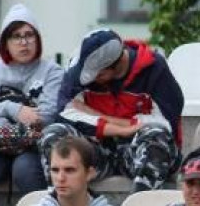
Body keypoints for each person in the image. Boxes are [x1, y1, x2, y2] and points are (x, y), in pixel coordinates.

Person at [41, 28, 183, 191]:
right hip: (97, 150)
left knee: (155, 136)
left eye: (99, 74)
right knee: (53, 133)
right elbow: (65, 114)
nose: (93, 80)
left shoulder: (155, 68)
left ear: (118, 64)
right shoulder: (78, 68)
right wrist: (119, 128)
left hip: (139, 151)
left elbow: (164, 124)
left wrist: (98, 116)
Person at [0, 4, 63, 204]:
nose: (24, 42)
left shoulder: (52, 72)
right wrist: (12, 108)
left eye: (29, 35)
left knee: (25, 170)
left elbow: (44, 117)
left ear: (38, 39)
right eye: (16, 36)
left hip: (33, 147)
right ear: (5, 42)